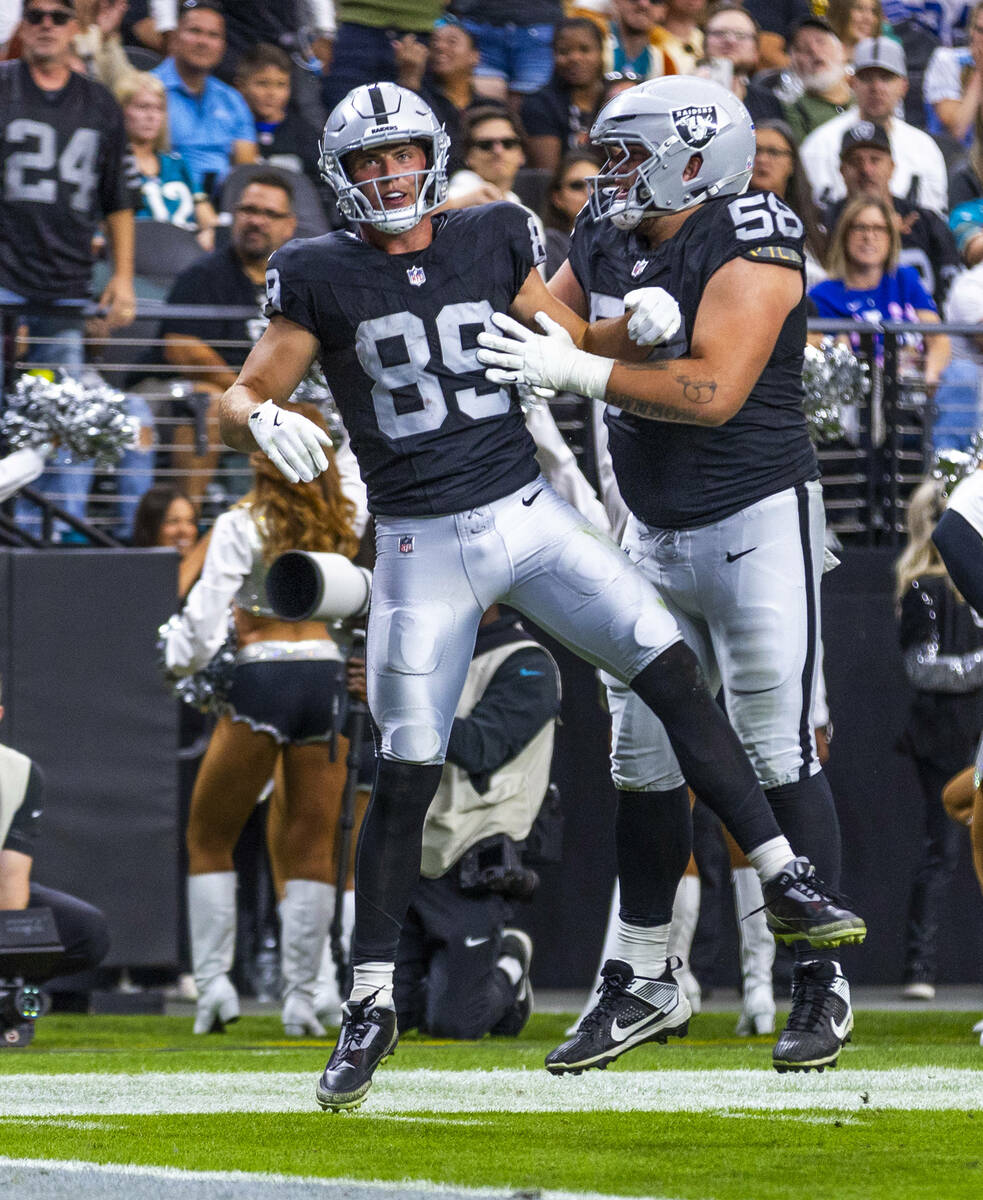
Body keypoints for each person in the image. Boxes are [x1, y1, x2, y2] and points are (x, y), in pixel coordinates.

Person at [218, 81, 864, 1109]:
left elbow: (592, 351)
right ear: (341, 175)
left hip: (576, 512)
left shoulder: (502, 233)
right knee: (412, 773)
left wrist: (624, 339)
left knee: (706, 697)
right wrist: (250, 413)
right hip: (434, 541)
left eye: (401, 154)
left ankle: (793, 901)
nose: (387, 175)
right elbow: (254, 383)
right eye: (368, 160)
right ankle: (385, 998)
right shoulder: (317, 270)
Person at [479, 73, 868, 1075]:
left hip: (754, 522)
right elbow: (546, 327)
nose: (605, 175)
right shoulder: (609, 235)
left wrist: (585, 369)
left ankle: (815, 983)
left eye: (623, 155)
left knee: (776, 747)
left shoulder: (751, 230)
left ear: (693, 155)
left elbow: (710, 389)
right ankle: (643, 975)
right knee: (639, 761)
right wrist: (483, 246)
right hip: (648, 526)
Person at [161, 402, 362, 1036]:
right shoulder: (347, 513)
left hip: (263, 677)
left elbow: (197, 629)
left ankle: (215, 989)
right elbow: (353, 465)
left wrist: (173, 662)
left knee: (208, 835)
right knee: (312, 845)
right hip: (327, 676)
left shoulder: (241, 523)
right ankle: (307, 998)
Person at [393, 603, 560, 1041]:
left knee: (453, 1024)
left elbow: (483, 747)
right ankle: (442, 976)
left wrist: (400, 699)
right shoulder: (416, 652)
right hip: (412, 843)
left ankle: (509, 961)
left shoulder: (527, 661)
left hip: (474, 845)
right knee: (388, 1013)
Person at [0, 0, 136, 535]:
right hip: (2, 282)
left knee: (61, 428)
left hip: (65, 289)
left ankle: (52, 544)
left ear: (77, 28)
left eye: (58, 16)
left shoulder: (100, 104)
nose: (46, 26)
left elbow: (119, 199)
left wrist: (123, 277)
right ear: (21, 24)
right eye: (35, 15)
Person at [158, 171, 298, 509]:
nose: (256, 221)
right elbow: (179, 347)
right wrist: (245, 392)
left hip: (269, 401)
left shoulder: (296, 281)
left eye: (269, 214)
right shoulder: (204, 274)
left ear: (289, 225)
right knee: (207, 402)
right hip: (191, 392)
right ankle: (185, 520)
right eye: (248, 210)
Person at [893, 477, 983, 1000]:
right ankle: (919, 967)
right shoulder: (923, 588)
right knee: (943, 849)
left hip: (971, 727)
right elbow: (921, 669)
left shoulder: (964, 584)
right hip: (942, 735)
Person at [0, 670, 111, 1034]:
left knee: (85, 931)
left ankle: (7, 998)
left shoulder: (19, 772)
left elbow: (11, 877)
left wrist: (8, 971)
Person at [809, 194, 950, 392]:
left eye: (879, 228)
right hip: (856, 400)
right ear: (844, 234)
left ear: (891, 238)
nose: (869, 236)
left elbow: (938, 339)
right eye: (860, 228)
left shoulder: (906, 279)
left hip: (914, 393)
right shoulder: (822, 295)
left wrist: (930, 377)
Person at [799, 36, 948, 215]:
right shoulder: (819, 144)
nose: (876, 87)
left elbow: (933, 218)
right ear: (852, 83)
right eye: (867, 78)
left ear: (904, 86)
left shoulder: (924, 147)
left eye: (886, 78)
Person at [825, 120, 961, 308]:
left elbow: (951, 285)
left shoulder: (925, 221)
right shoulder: (824, 222)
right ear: (842, 171)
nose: (866, 170)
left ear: (892, 167)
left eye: (875, 160)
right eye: (856, 161)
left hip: (925, 326)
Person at [152, 0, 258, 197]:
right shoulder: (149, 90)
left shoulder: (232, 99)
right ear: (174, 38)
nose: (203, 42)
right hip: (166, 199)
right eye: (194, 31)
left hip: (224, 205)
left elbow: (245, 171)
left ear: (223, 46)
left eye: (213, 35)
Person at [116, 70, 218, 251]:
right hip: (136, 257)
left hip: (184, 257)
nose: (152, 116)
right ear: (121, 111)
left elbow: (208, 219)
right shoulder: (112, 166)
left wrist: (209, 233)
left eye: (159, 108)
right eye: (142, 107)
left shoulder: (177, 163)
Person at [234, 43, 324, 192]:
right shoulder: (228, 128)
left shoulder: (306, 136)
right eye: (262, 83)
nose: (272, 93)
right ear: (240, 86)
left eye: (281, 85)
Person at [520, 18, 607, 172]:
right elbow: (548, 173)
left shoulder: (615, 98)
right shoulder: (538, 104)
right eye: (564, 51)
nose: (575, 58)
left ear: (601, 52)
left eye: (585, 49)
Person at [750, 119, 829, 288]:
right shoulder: (724, 215)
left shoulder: (817, 222)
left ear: (792, 163)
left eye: (773, 152)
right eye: (756, 151)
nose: (762, 159)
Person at [702, 3, 784, 125]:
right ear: (704, 44)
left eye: (741, 35)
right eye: (719, 33)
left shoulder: (770, 102)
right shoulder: (682, 92)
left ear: (756, 52)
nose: (730, 41)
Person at [781, 15, 855, 145]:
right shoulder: (795, 113)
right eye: (802, 48)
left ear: (843, 51)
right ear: (794, 65)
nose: (814, 51)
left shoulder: (864, 99)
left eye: (821, 42)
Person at [922, 0, 983, 142]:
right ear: (971, 32)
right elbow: (958, 129)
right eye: (981, 30)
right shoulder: (947, 60)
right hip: (954, 157)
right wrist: (980, 72)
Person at [543, 151, 603, 279]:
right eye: (577, 185)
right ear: (557, 198)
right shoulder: (550, 242)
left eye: (597, 184)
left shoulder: (628, 240)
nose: (590, 192)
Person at [826, 0, 893, 64]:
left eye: (874, 11)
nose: (868, 18)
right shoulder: (822, 56)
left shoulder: (887, 58)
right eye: (859, 9)